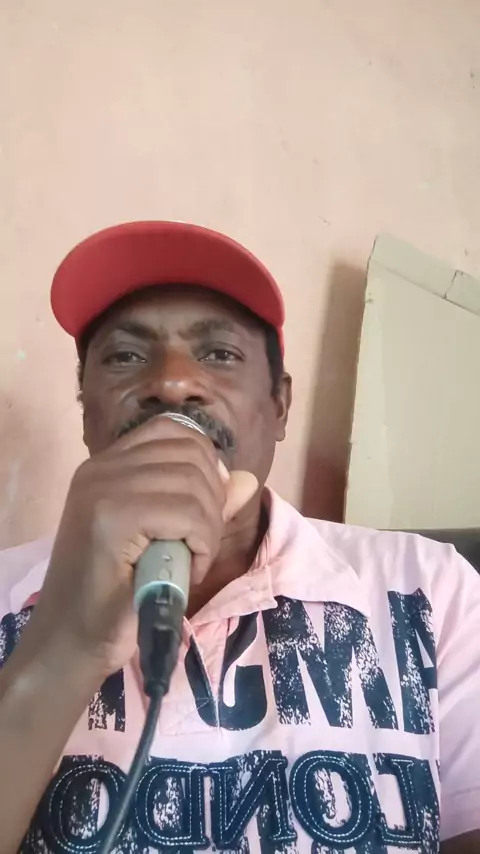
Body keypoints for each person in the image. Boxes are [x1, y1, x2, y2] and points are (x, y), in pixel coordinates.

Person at [0, 221, 478, 854]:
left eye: (219, 353)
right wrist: (62, 650)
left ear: (279, 406)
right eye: (125, 356)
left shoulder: (434, 589)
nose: (172, 383)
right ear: (87, 411)